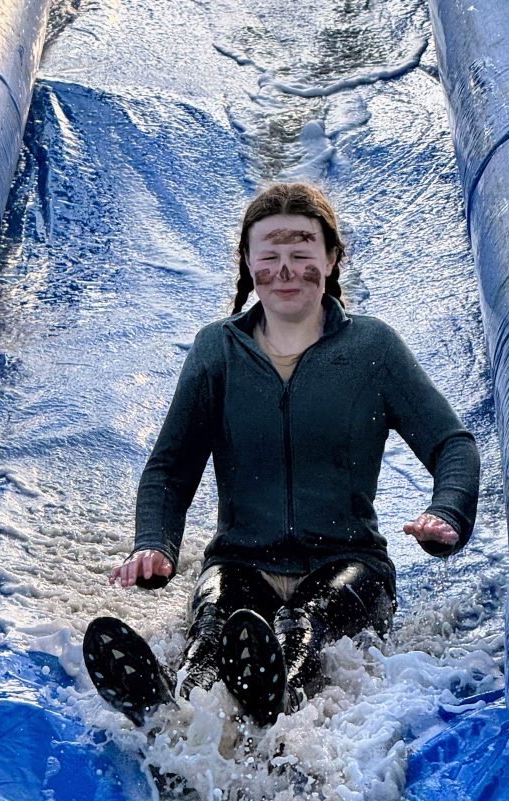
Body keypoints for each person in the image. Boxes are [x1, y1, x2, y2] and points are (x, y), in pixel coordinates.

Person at [83, 183, 480, 727]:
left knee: (306, 629)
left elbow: (450, 443)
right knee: (215, 628)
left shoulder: (373, 350)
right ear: (247, 264)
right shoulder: (216, 352)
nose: (286, 269)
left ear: (332, 258)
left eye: (301, 253)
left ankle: (274, 702)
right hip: (241, 561)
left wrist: (447, 512)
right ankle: (173, 710)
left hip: (350, 564)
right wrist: (155, 545)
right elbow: (170, 470)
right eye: (269, 256)